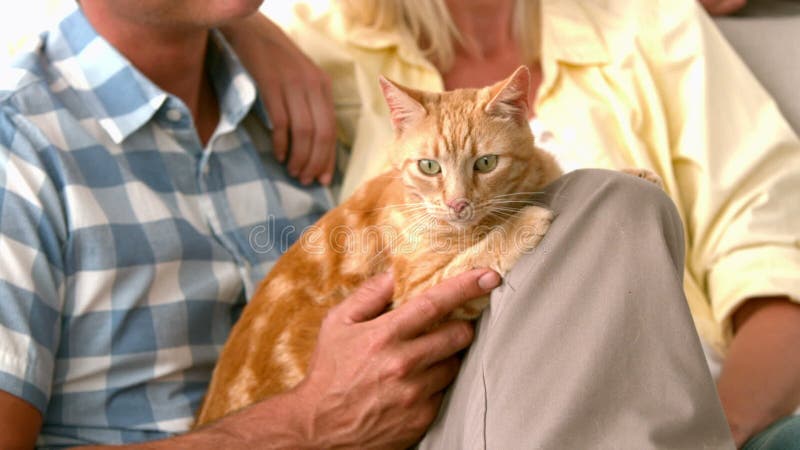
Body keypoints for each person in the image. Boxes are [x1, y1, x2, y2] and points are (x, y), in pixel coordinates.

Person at [0, 2, 741, 450]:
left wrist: (250, 25)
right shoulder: (20, 149)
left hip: (422, 423)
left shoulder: (291, 97)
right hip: (324, 431)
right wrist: (305, 423)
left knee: (614, 207)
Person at [249, 0, 800, 447]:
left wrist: (724, 430)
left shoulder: (654, 22)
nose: (458, 195)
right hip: (459, 409)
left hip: (687, 393)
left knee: (614, 202)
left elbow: (777, 258)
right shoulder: (321, 41)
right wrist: (252, 28)